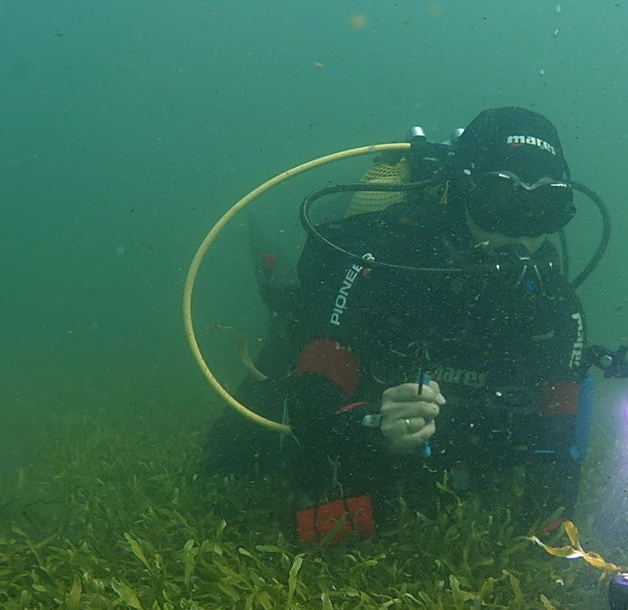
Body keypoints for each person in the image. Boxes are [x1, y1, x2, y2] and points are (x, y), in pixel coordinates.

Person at [205, 106, 592, 543]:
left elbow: (562, 447)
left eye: (545, 208)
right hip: (353, 376)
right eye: (500, 201)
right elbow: (311, 409)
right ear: (464, 192)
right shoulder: (382, 258)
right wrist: (371, 426)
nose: (521, 234)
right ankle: (280, 286)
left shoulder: (552, 301)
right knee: (229, 462)